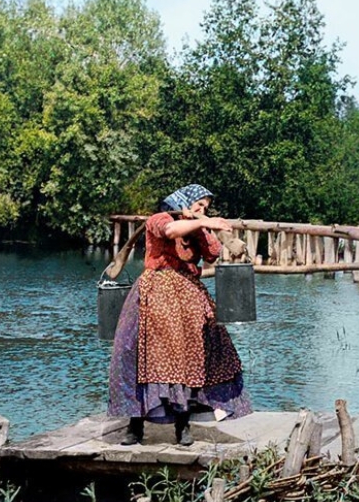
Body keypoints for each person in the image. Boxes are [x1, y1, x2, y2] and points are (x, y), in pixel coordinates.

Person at [108, 183, 252, 446]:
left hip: (188, 296)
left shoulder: (196, 228)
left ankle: (183, 426)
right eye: (199, 205)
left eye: (206, 207)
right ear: (184, 201)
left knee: (190, 359)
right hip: (155, 293)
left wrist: (203, 227)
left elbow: (213, 253)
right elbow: (170, 230)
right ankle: (135, 426)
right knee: (142, 356)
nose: (202, 210)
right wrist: (202, 222)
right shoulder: (159, 218)